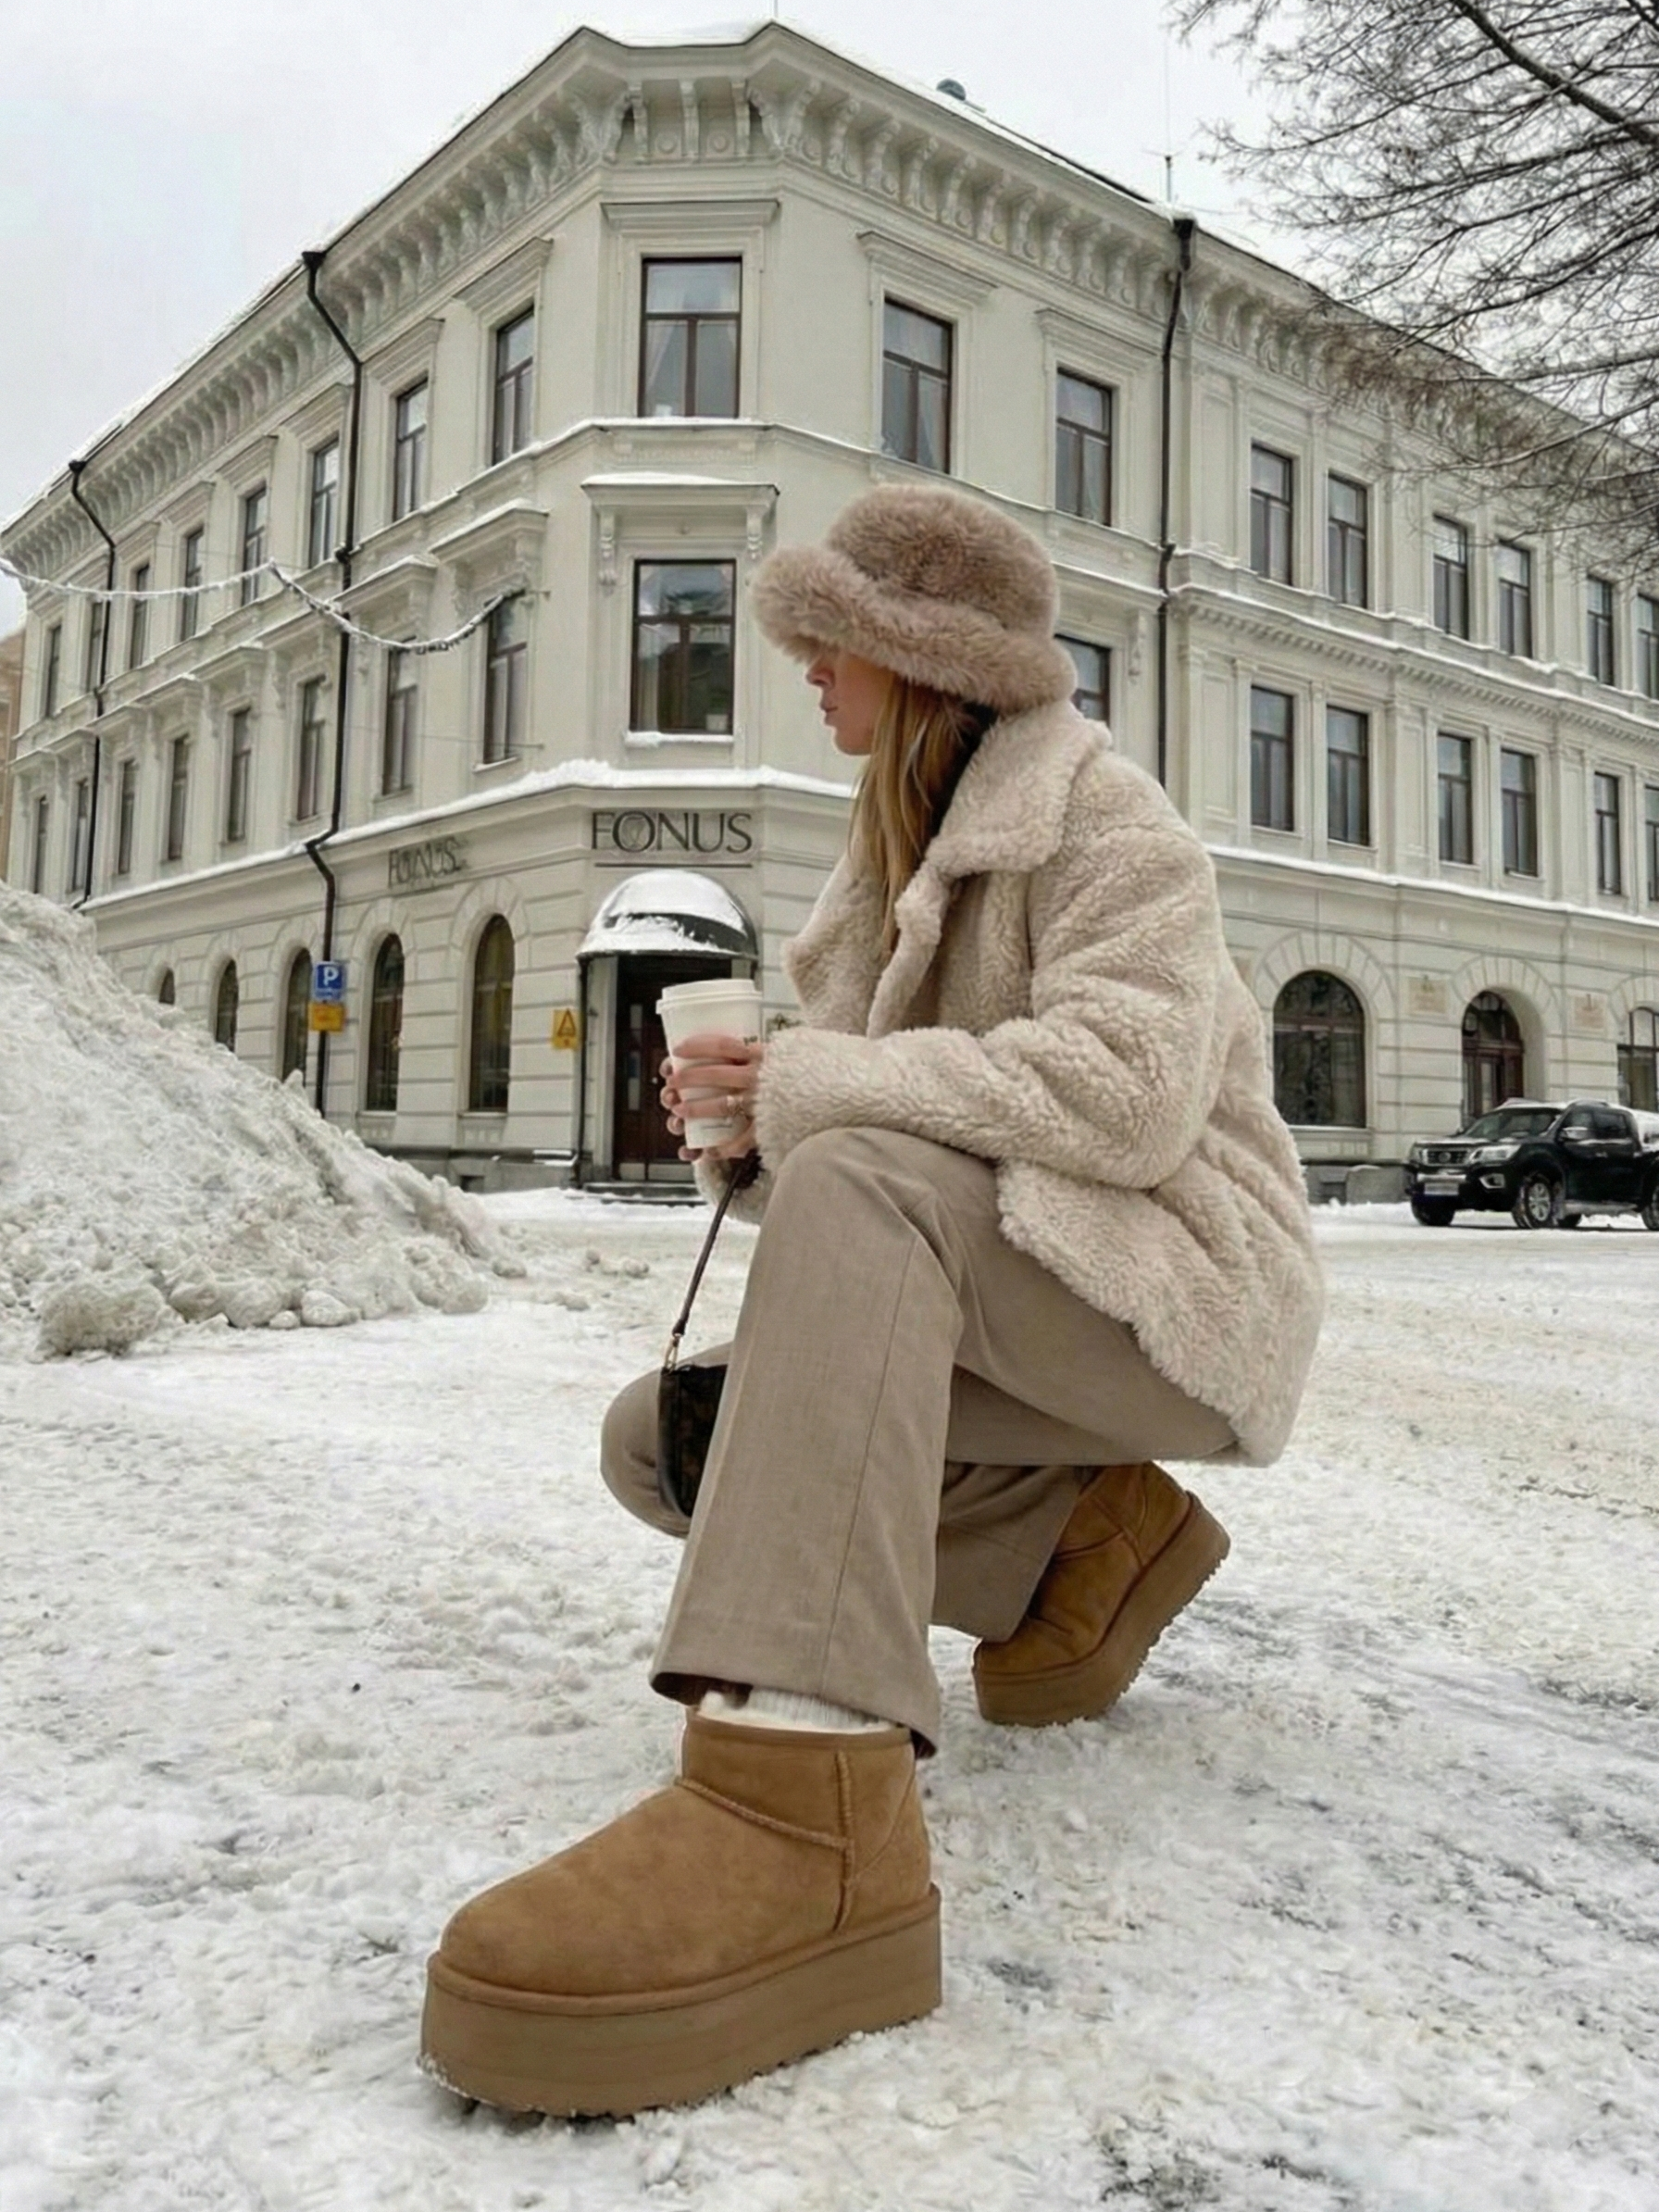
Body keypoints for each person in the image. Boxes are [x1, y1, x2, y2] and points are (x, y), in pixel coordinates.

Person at [420, 484, 1323, 2118]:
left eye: (830, 639)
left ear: (926, 660)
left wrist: (813, 1094)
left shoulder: (1109, 819)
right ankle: (1080, 1535)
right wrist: (749, 1139)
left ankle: (804, 1796)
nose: (809, 670)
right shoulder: (878, 867)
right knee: (665, 1441)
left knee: (859, 1183)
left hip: (1180, 1289)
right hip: (1023, 1283)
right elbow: (879, 1171)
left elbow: (1123, 1099)